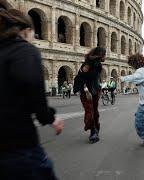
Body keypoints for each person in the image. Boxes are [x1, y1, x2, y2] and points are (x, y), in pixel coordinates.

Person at [0, 9, 63, 179]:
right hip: (17, 142)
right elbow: (32, 87)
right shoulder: (24, 50)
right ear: (26, 30)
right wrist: (50, 118)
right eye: (34, 32)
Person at [75, 47, 105, 143]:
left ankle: (96, 128)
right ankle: (93, 131)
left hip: (95, 90)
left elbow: (94, 78)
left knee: (94, 111)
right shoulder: (88, 64)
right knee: (89, 110)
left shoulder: (98, 64)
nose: (106, 57)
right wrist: (86, 90)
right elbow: (81, 77)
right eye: (104, 55)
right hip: (86, 91)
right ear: (100, 55)